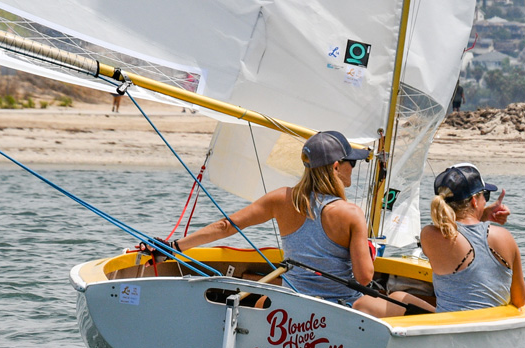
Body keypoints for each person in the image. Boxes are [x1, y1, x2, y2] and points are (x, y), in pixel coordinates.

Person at [143, 130, 431, 317]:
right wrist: (367, 249)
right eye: (351, 163)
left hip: (292, 304)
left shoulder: (280, 199)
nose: (353, 169)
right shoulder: (351, 213)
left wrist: (174, 247)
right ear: (335, 167)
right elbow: (365, 278)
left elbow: (226, 227)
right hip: (342, 309)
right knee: (402, 298)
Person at [420, 163, 525, 313]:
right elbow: (519, 300)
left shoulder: (429, 235)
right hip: (490, 328)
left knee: (399, 296)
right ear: (474, 201)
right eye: (486, 196)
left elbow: (457, 229)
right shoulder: (504, 237)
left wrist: (482, 215)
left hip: (449, 329)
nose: (486, 202)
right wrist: (483, 216)